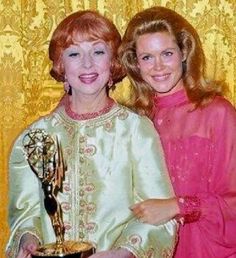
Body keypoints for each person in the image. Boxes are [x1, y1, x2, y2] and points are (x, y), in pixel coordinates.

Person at [6, 10, 178, 258]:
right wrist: (27, 240)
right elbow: (25, 213)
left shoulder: (135, 130)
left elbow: (158, 215)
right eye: (74, 54)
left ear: (113, 62)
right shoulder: (34, 138)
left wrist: (123, 253)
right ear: (61, 64)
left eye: (98, 52)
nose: (87, 64)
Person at [119, 6, 236, 258]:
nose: (158, 66)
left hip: (207, 249)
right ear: (135, 63)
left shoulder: (217, 112)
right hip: (148, 248)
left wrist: (177, 206)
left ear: (184, 53)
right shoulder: (132, 121)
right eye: (147, 57)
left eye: (167, 53)